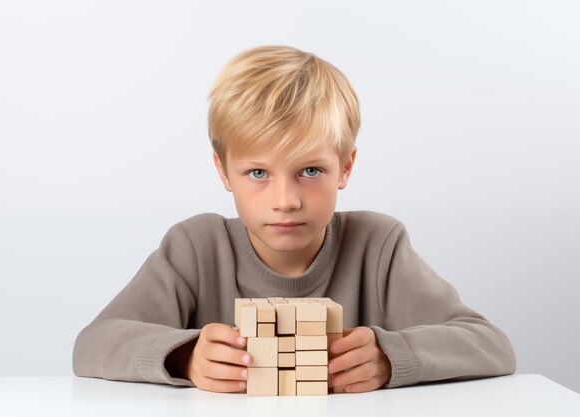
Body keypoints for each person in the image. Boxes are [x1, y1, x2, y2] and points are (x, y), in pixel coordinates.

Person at [72, 45, 516, 393]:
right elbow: (92, 344)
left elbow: (491, 346)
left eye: (310, 171)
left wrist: (391, 355)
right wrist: (184, 356)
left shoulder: (378, 245)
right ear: (223, 172)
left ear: (345, 167)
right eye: (258, 173)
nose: (285, 201)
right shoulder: (195, 247)